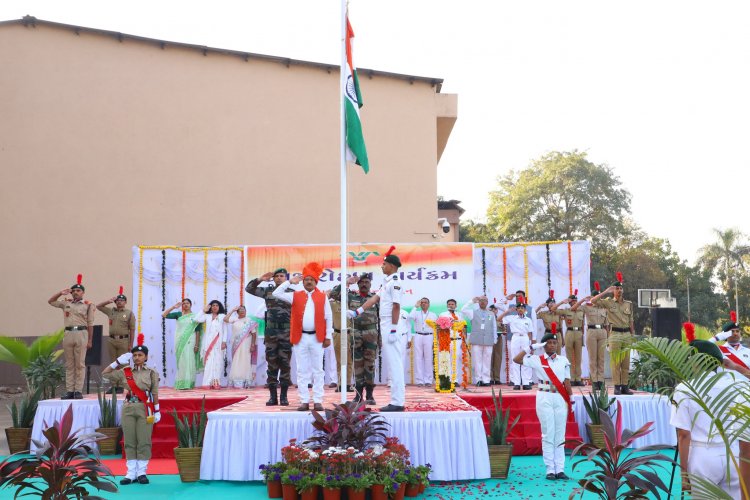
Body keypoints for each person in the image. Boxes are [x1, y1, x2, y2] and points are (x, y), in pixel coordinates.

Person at [670, 339, 748, 498]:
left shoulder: (685, 388)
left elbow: (683, 434)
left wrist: (683, 473)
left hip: (703, 456)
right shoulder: (737, 384)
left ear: (695, 362)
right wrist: (735, 368)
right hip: (732, 454)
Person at [348, 246, 405, 412]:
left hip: (391, 324)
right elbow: (373, 299)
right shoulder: (387, 283)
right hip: (386, 323)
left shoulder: (395, 283)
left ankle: (398, 401)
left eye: (384, 264)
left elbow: (396, 306)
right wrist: (357, 311)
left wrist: (394, 328)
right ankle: (396, 400)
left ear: (392, 266)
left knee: (395, 363)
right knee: (391, 363)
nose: (382, 266)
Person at [272, 262, 333, 411]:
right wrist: (289, 282)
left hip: (317, 338)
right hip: (300, 338)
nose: (309, 282)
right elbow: (276, 293)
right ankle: (304, 400)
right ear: (303, 281)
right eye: (306, 279)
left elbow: (329, 317)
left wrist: (328, 336)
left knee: (318, 369)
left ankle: (318, 400)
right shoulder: (295, 295)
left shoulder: (322, 297)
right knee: (302, 370)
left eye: (311, 279)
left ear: (316, 281)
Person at [103, 334, 161, 485]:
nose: (136, 357)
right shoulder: (125, 372)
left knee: (143, 440)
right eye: (134, 355)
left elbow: (154, 392)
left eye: (140, 355)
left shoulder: (152, 373)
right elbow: (105, 374)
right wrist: (117, 362)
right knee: (129, 440)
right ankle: (130, 473)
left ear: (146, 357)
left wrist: (157, 410)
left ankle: (141, 472)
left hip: (145, 408)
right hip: (128, 407)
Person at [513, 332, 572, 481]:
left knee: (560, 434)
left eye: (554, 342)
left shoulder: (563, 360)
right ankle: (550, 470)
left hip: (560, 397)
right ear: (544, 345)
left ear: (557, 345)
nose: (552, 345)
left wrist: (571, 399)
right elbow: (516, 359)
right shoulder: (537, 360)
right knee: (548, 433)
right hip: (544, 395)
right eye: (549, 343)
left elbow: (566, 382)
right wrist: (531, 347)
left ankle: (560, 469)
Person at [246, 269, 293, 406]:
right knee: (271, 364)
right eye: (277, 276)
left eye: (282, 276)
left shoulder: (291, 292)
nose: (279, 278)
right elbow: (249, 289)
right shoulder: (268, 291)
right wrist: (260, 279)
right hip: (271, 331)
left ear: (286, 278)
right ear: (273, 279)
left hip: (286, 331)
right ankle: (273, 397)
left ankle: (283, 396)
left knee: (285, 364)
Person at [330, 274, 379, 404]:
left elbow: (380, 318)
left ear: (370, 284)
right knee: (357, 365)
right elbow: (333, 294)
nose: (364, 284)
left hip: (371, 333)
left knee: (370, 365)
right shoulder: (350, 296)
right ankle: (358, 395)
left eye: (367, 282)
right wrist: (347, 283)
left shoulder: (375, 298)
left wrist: (380, 339)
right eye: (361, 282)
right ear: (358, 284)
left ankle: (369, 395)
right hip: (355, 333)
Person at [48, 275, 94, 400]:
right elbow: (51, 301)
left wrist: (90, 340)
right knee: (69, 364)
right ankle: (69, 391)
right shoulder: (66, 303)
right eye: (73, 291)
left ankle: (78, 391)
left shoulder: (88, 305)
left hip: (81, 334)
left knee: (80, 364)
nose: (75, 293)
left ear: (83, 293)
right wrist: (60, 293)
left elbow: (90, 324)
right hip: (68, 334)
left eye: (78, 291)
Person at [592, 274, 634, 395]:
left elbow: (631, 320)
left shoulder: (628, 304)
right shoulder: (608, 302)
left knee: (626, 362)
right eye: (617, 288)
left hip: (626, 334)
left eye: (620, 288)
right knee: (616, 362)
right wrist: (605, 291)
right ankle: (617, 386)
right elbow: (593, 301)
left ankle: (625, 386)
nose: (619, 290)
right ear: (613, 290)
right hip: (614, 334)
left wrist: (632, 334)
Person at [572, 287, 609, 390]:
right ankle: (594, 380)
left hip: (602, 332)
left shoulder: (604, 308)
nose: (598, 299)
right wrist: (583, 300)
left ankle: (601, 380)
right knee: (593, 358)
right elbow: (573, 308)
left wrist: (608, 338)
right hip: (591, 332)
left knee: (601, 358)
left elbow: (606, 325)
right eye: (596, 297)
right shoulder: (587, 307)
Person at [162, 298, 202, 390]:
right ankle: (182, 383)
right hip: (179, 341)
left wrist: (197, 344)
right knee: (182, 362)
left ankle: (189, 383)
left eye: (187, 303)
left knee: (189, 361)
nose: (185, 305)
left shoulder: (195, 316)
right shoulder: (178, 314)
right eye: (183, 303)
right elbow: (164, 315)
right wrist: (173, 307)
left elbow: (198, 331)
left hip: (190, 341)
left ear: (191, 305)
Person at [96, 287, 136, 371]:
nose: (119, 302)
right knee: (113, 364)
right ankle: (115, 383)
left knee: (123, 363)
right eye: (117, 300)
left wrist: (131, 345)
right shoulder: (111, 311)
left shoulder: (129, 313)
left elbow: (132, 330)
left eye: (121, 300)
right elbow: (98, 306)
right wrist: (108, 301)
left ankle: (124, 383)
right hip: (111, 340)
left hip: (124, 341)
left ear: (125, 302)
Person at [462, 296, 497, 386]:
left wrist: (495, 339)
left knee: (487, 360)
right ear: (478, 302)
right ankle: (478, 379)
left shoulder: (491, 314)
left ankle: (486, 380)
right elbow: (463, 309)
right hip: (476, 340)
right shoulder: (473, 313)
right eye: (481, 300)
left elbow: (494, 327)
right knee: (477, 361)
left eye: (485, 301)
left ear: (487, 302)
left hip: (488, 340)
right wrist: (471, 301)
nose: (483, 302)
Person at [499, 300, 534, 390]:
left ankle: (526, 382)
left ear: (525, 310)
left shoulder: (528, 320)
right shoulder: (512, 317)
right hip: (515, 337)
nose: (520, 310)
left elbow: (530, 333)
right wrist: (507, 312)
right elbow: (499, 319)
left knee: (525, 359)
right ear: (516, 310)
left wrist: (531, 345)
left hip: (525, 338)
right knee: (515, 359)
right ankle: (517, 383)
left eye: (522, 308)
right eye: (519, 308)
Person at [194, 300, 227, 389]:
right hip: (208, 343)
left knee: (218, 362)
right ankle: (207, 383)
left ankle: (216, 383)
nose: (215, 307)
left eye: (217, 305)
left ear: (219, 307)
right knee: (208, 363)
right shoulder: (207, 316)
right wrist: (203, 310)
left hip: (218, 343)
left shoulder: (222, 316)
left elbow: (225, 329)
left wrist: (224, 341)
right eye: (213, 305)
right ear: (210, 307)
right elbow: (196, 319)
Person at [555, 292, 585, 386]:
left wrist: (582, 334)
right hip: (569, 332)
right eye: (572, 301)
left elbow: (583, 323)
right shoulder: (566, 310)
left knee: (578, 357)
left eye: (576, 300)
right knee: (569, 358)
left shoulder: (581, 310)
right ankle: (571, 378)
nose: (574, 302)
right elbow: (553, 309)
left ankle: (578, 378)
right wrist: (561, 302)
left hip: (579, 333)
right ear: (569, 302)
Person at [225, 305, 258, 388]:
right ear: (237, 312)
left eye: (243, 309)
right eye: (240, 310)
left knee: (245, 360)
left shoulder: (249, 321)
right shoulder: (234, 319)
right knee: (236, 361)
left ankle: (246, 381)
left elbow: (253, 334)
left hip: (246, 344)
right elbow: (225, 319)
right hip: (235, 345)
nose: (242, 311)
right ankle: (236, 381)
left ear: (246, 311)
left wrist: (253, 345)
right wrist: (232, 310)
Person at [407, 297, 438, 387]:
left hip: (429, 336)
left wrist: (435, 341)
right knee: (418, 358)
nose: (423, 304)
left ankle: (428, 380)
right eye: (422, 302)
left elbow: (436, 328)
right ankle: (419, 380)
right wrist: (415, 306)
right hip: (418, 335)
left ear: (429, 304)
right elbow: (410, 317)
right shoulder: (416, 313)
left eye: (425, 302)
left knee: (429, 358)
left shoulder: (433, 315)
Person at [488, 304, 506, 385]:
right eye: (491, 310)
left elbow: (505, 331)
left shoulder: (501, 319)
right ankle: (490, 378)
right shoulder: (487, 318)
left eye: (495, 310)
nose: (493, 311)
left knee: (498, 358)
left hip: (499, 339)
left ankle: (497, 378)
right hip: (489, 339)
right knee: (489, 358)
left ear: (497, 311)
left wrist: (503, 326)